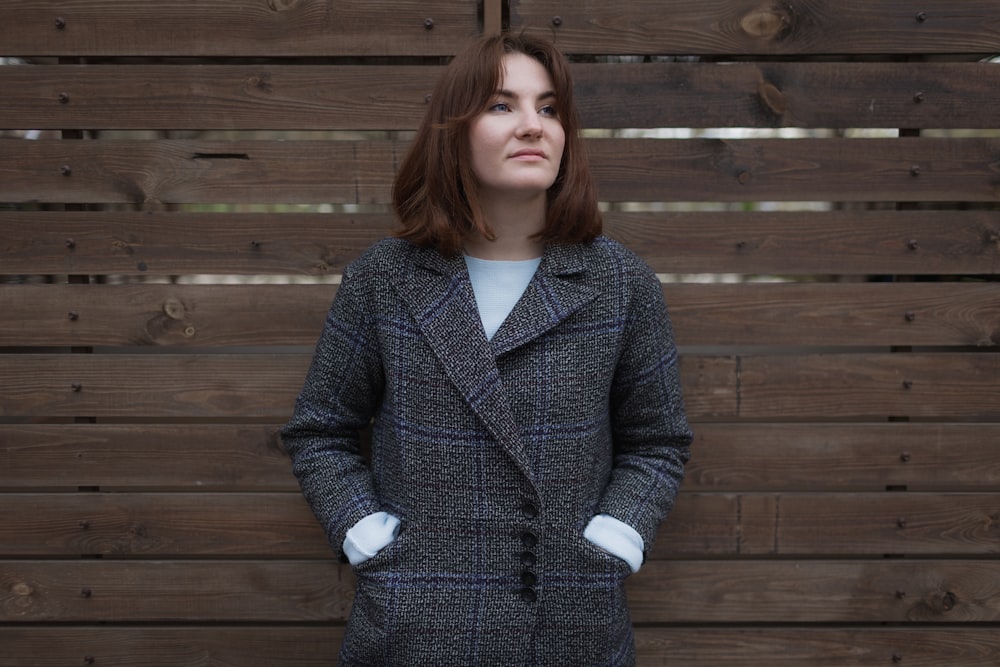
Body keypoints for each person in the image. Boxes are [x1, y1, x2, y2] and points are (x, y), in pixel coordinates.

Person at [281, 32, 692, 667]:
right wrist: (369, 541)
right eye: (503, 106)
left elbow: (657, 442)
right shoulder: (385, 278)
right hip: (414, 627)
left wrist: (613, 540)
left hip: (568, 624)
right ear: (454, 130)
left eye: (549, 108)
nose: (533, 126)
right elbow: (320, 432)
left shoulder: (619, 282)